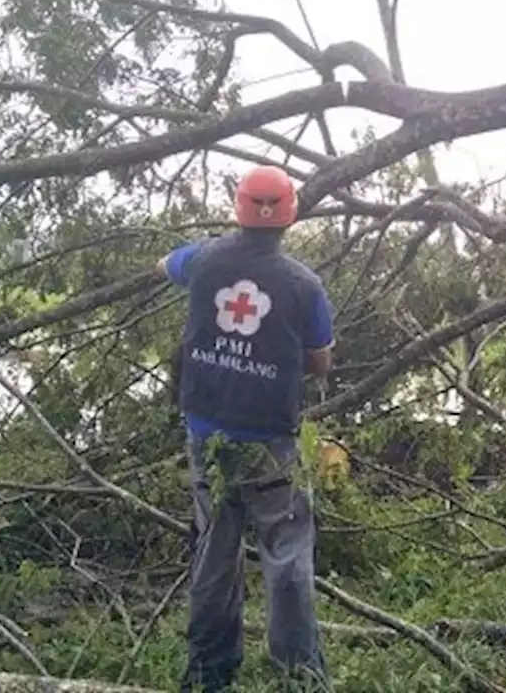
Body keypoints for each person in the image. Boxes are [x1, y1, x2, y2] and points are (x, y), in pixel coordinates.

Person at [159, 165, 335, 692]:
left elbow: (164, 263)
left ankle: (210, 674)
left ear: (238, 209)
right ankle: (299, 676)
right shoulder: (304, 284)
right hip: (269, 443)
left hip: (206, 435)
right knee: (285, 555)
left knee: (214, 551)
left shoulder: (203, 259)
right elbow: (320, 361)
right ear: (290, 217)